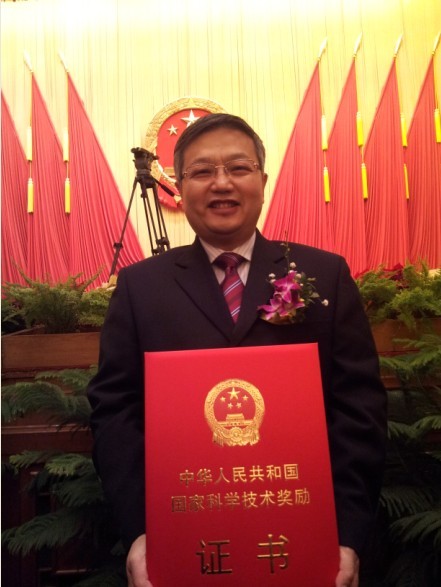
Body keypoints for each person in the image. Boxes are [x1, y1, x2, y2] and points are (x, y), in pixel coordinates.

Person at [88, 113, 387, 587]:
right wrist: (142, 534)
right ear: (179, 189)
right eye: (202, 171)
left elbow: (359, 408)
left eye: (238, 168)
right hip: (184, 538)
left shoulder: (324, 274)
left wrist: (347, 535)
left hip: (303, 536)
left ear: (263, 182)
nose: (221, 183)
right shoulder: (140, 287)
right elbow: (115, 411)